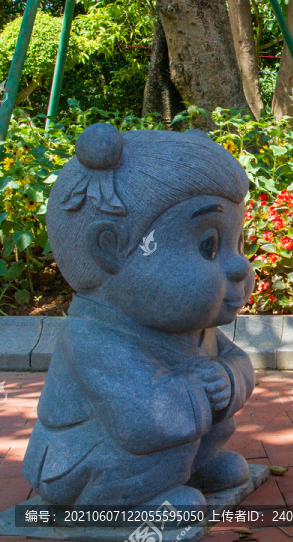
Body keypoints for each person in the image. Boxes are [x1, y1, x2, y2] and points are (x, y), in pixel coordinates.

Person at [22, 124, 256, 509]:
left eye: (238, 243)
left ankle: (196, 467)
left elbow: (236, 361)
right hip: (83, 462)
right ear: (111, 249)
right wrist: (202, 389)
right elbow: (145, 422)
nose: (240, 267)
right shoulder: (93, 336)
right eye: (210, 246)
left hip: (169, 436)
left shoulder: (190, 328)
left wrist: (229, 379)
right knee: (163, 443)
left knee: (214, 418)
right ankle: (121, 502)